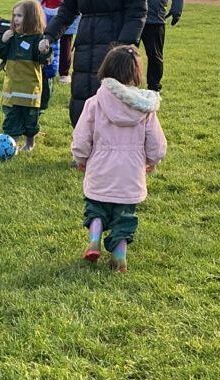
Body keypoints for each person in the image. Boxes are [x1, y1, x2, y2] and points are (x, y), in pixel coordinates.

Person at [71, 44, 167, 273]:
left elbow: (82, 136)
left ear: (105, 69)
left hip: (100, 170)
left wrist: (80, 158)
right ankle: (119, 255)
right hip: (131, 173)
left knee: (96, 208)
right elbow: (156, 141)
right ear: (136, 72)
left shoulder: (94, 103)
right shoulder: (144, 107)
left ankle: (94, 240)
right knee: (124, 216)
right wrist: (153, 160)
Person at [0, 0, 47, 151]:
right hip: (12, 88)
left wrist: (45, 51)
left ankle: (30, 143)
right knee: (11, 118)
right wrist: (3, 41)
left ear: (31, 18)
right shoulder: (12, 37)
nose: (15, 19)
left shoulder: (38, 39)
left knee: (30, 119)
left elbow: (44, 60)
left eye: (19, 16)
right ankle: (13, 145)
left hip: (30, 89)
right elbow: (1, 54)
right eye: (14, 15)